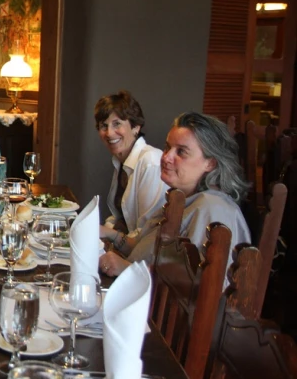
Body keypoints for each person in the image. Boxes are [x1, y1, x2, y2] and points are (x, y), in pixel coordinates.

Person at [99, 111, 251, 277]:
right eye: (167, 148)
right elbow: (142, 249)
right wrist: (110, 235)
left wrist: (128, 270)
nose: (166, 157)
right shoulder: (181, 198)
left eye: (181, 152)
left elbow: (202, 287)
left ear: (210, 163)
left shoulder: (212, 209)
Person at [94, 91, 169, 249]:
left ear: (136, 127)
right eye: (103, 126)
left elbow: (148, 235)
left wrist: (110, 235)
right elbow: (119, 217)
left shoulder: (150, 162)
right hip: (123, 248)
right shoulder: (120, 160)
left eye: (117, 124)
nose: (109, 133)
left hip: (142, 259)